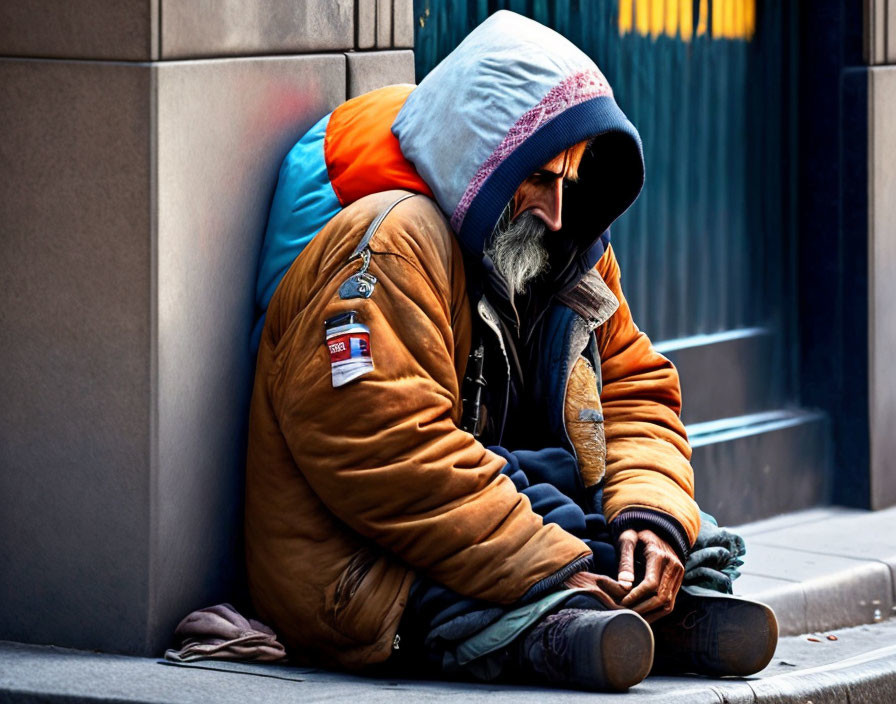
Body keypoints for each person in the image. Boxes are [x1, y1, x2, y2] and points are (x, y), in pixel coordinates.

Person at [245, 11, 777, 692]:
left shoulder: (567, 252)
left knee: (667, 537)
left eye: (569, 181)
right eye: (539, 180)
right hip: (364, 564)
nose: (557, 211)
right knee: (461, 584)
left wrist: (652, 516)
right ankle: (560, 614)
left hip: (505, 503)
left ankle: (622, 590)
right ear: (480, 160)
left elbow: (634, 392)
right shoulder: (387, 240)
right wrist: (552, 559)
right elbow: (386, 451)